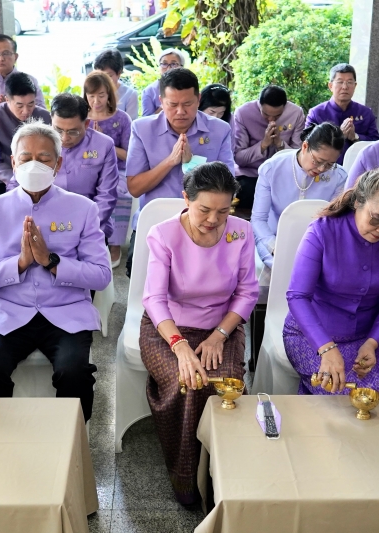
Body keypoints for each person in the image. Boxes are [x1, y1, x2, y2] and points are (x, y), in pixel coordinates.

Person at [0, 122, 110, 421]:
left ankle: (73, 448)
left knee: (75, 373)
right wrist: (20, 263)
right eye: (25, 157)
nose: (34, 164)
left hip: (66, 312)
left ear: (58, 163)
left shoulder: (82, 209)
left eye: (43, 158)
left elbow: (100, 274)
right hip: (11, 312)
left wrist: (51, 261)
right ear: (13, 162)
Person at [141, 162, 258, 505]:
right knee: (187, 382)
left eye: (223, 211)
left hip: (220, 325)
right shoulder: (164, 234)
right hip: (168, 328)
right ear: (186, 199)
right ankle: (185, 474)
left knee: (224, 387)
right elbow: (154, 298)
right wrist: (179, 346)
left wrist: (219, 335)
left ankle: (223, 473)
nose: (213, 220)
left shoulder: (240, 232)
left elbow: (247, 292)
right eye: (204, 209)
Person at [284, 166, 379, 395]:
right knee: (342, 392)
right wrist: (326, 348)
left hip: (366, 336)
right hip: (312, 336)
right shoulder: (323, 232)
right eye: (377, 219)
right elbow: (298, 296)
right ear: (358, 202)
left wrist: (374, 341)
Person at [125, 67, 235, 276]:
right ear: (161, 101)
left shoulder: (219, 130)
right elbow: (134, 188)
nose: (180, 112)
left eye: (188, 104)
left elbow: (229, 186)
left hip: (205, 223)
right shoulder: (142, 129)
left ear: (199, 99)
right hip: (155, 221)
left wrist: (192, 164)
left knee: (209, 275)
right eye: (172, 104)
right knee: (137, 271)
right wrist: (170, 161)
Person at [251, 122, 347, 270]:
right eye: (318, 161)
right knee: (283, 267)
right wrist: (275, 246)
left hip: (315, 243)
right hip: (272, 238)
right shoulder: (272, 169)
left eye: (329, 165)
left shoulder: (338, 177)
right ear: (304, 147)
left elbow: (333, 221)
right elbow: (258, 220)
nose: (322, 169)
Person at [35, 92, 119, 240]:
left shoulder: (103, 145)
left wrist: (86, 229)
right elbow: (18, 185)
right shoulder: (36, 142)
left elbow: (107, 195)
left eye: (73, 131)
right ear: (51, 121)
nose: (64, 138)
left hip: (92, 225)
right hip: (44, 225)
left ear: (86, 124)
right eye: (58, 130)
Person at [84, 70, 132, 267]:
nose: (96, 101)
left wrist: (106, 142)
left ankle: (115, 244)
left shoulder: (121, 118)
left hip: (117, 169)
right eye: (92, 96)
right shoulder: (81, 118)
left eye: (101, 95)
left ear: (109, 95)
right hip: (87, 168)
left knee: (120, 192)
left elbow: (129, 155)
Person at [233, 85, 306, 210]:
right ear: (259, 104)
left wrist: (280, 144)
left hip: (283, 174)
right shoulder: (243, 113)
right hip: (251, 174)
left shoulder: (295, 113)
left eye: (277, 116)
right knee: (248, 192)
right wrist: (263, 144)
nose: (271, 120)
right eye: (266, 114)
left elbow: (299, 156)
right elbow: (239, 159)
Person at [0, 72, 52, 195]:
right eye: (19, 105)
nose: (26, 111)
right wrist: (18, 180)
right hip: (3, 179)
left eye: (31, 104)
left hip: (39, 177)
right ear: (7, 99)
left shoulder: (44, 116)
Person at [305, 63, 379, 164]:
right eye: (340, 82)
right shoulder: (316, 113)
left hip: (358, 166)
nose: (345, 87)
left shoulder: (365, 113)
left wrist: (355, 137)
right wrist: (338, 136)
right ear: (330, 86)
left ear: (355, 85)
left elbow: (375, 144)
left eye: (349, 82)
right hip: (324, 167)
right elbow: (308, 144)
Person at [140, 48, 188, 117]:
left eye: (174, 64)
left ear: (182, 67)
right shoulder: (149, 91)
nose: (168, 68)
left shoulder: (189, 88)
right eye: (164, 64)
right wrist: (164, 106)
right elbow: (146, 121)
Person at [93, 48, 139, 120]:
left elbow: (131, 126)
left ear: (119, 73)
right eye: (99, 75)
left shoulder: (130, 95)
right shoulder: (91, 91)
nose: (103, 80)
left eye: (109, 76)